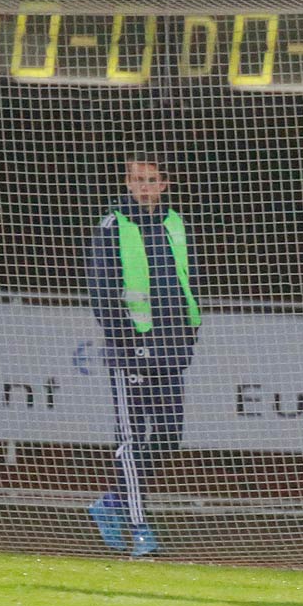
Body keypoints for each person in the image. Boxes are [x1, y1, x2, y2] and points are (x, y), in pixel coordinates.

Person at [85, 151, 200, 558]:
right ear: (128, 182)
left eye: (151, 180)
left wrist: (191, 328)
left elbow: (186, 275)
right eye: (136, 179)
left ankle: (112, 502)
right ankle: (139, 529)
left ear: (164, 184)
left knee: (168, 436)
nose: (143, 186)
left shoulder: (174, 221)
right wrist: (127, 339)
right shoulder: (113, 225)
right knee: (130, 440)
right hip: (131, 347)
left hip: (171, 344)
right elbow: (101, 291)